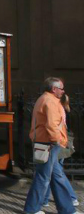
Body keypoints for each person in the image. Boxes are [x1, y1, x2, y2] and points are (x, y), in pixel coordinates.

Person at [24, 77, 79, 214]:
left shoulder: (45, 99)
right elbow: (52, 125)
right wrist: (58, 141)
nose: (63, 91)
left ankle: (67, 210)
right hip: (48, 143)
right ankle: (31, 209)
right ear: (54, 89)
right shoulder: (50, 101)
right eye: (61, 88)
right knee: (43, 177)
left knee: (56, 177)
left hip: (46, 142)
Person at [42, 94, 79, 208]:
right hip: (63, 143)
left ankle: (71, 197)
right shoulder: (66, 111)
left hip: (59, 143)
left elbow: (56, 128)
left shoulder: (59, 111)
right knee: (53, 171)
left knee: (56, 172)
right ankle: (45, 199)